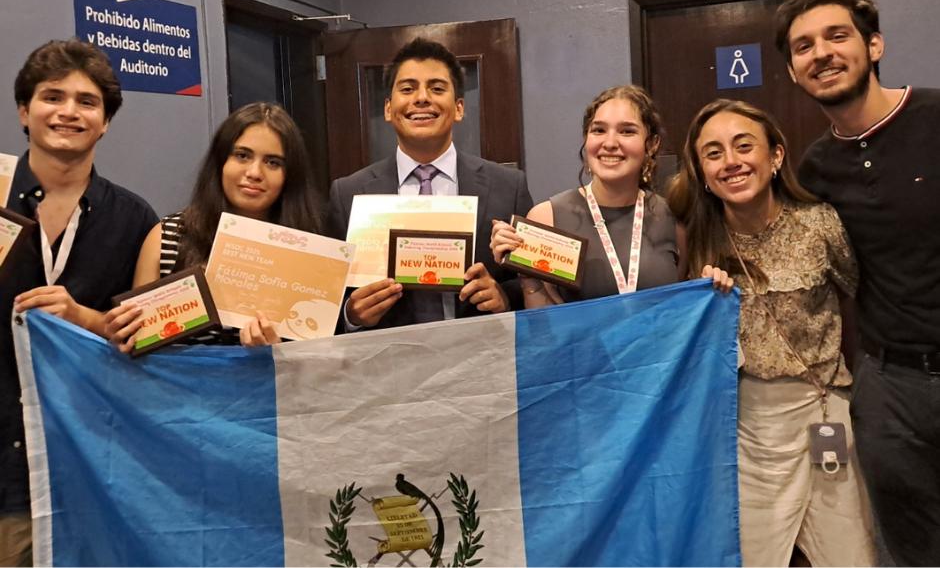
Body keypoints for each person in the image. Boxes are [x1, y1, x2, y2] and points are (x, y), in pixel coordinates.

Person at [668, 99, 875, 566]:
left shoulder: (819, 223)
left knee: (850, 554)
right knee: (751, 556)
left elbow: (862, 295)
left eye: (745, 146)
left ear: (776, 156)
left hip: (823, 413)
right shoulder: (693, 237)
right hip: (744, 428)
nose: (732, 162)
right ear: (701, 171)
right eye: (714, 153)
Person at [775, 0, 940, 566]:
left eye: (836, 35)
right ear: (794, 72)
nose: (821, 52)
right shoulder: (814, 169)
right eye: (803, 46)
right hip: (890, 391)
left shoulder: (934, 115)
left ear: (875, 46)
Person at [1, 39, 158, 565]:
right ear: (25, 111)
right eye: (52, 97)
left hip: (91, 465)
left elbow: (143, 342)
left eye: (87, 101)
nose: (69, 112)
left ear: (105, 121)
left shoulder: (136, 221)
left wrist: (79, 317)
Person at [327, 38, 533, 329]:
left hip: (481, 362)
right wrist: (351, 315)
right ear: (388, 109)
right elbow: (325, 300)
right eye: (408, 89)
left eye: (437, 88)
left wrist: (503, 297)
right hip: (387, 365)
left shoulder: (509, 187)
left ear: (459, 108)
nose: (422, 98)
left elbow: (532, 284)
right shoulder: (348, 194)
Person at [104, 102, 321, 350]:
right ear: (220, 162)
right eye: (242, 155)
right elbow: (139, 343)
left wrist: (278, 350)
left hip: (275, 387)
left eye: (273, 162)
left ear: (289, 175)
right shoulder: (168, 237)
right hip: (179, 388)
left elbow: (318, 361)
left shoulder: (309, 252)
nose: (254, 172)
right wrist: (126, 334)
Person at [490, 85, 700, 307]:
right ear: (586, 139)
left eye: (627, 131)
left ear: (652, 144)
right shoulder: (546, 218)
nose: (609, 143)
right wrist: (523, 268)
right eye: (599, 130)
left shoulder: (672, 219)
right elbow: (543, 326)